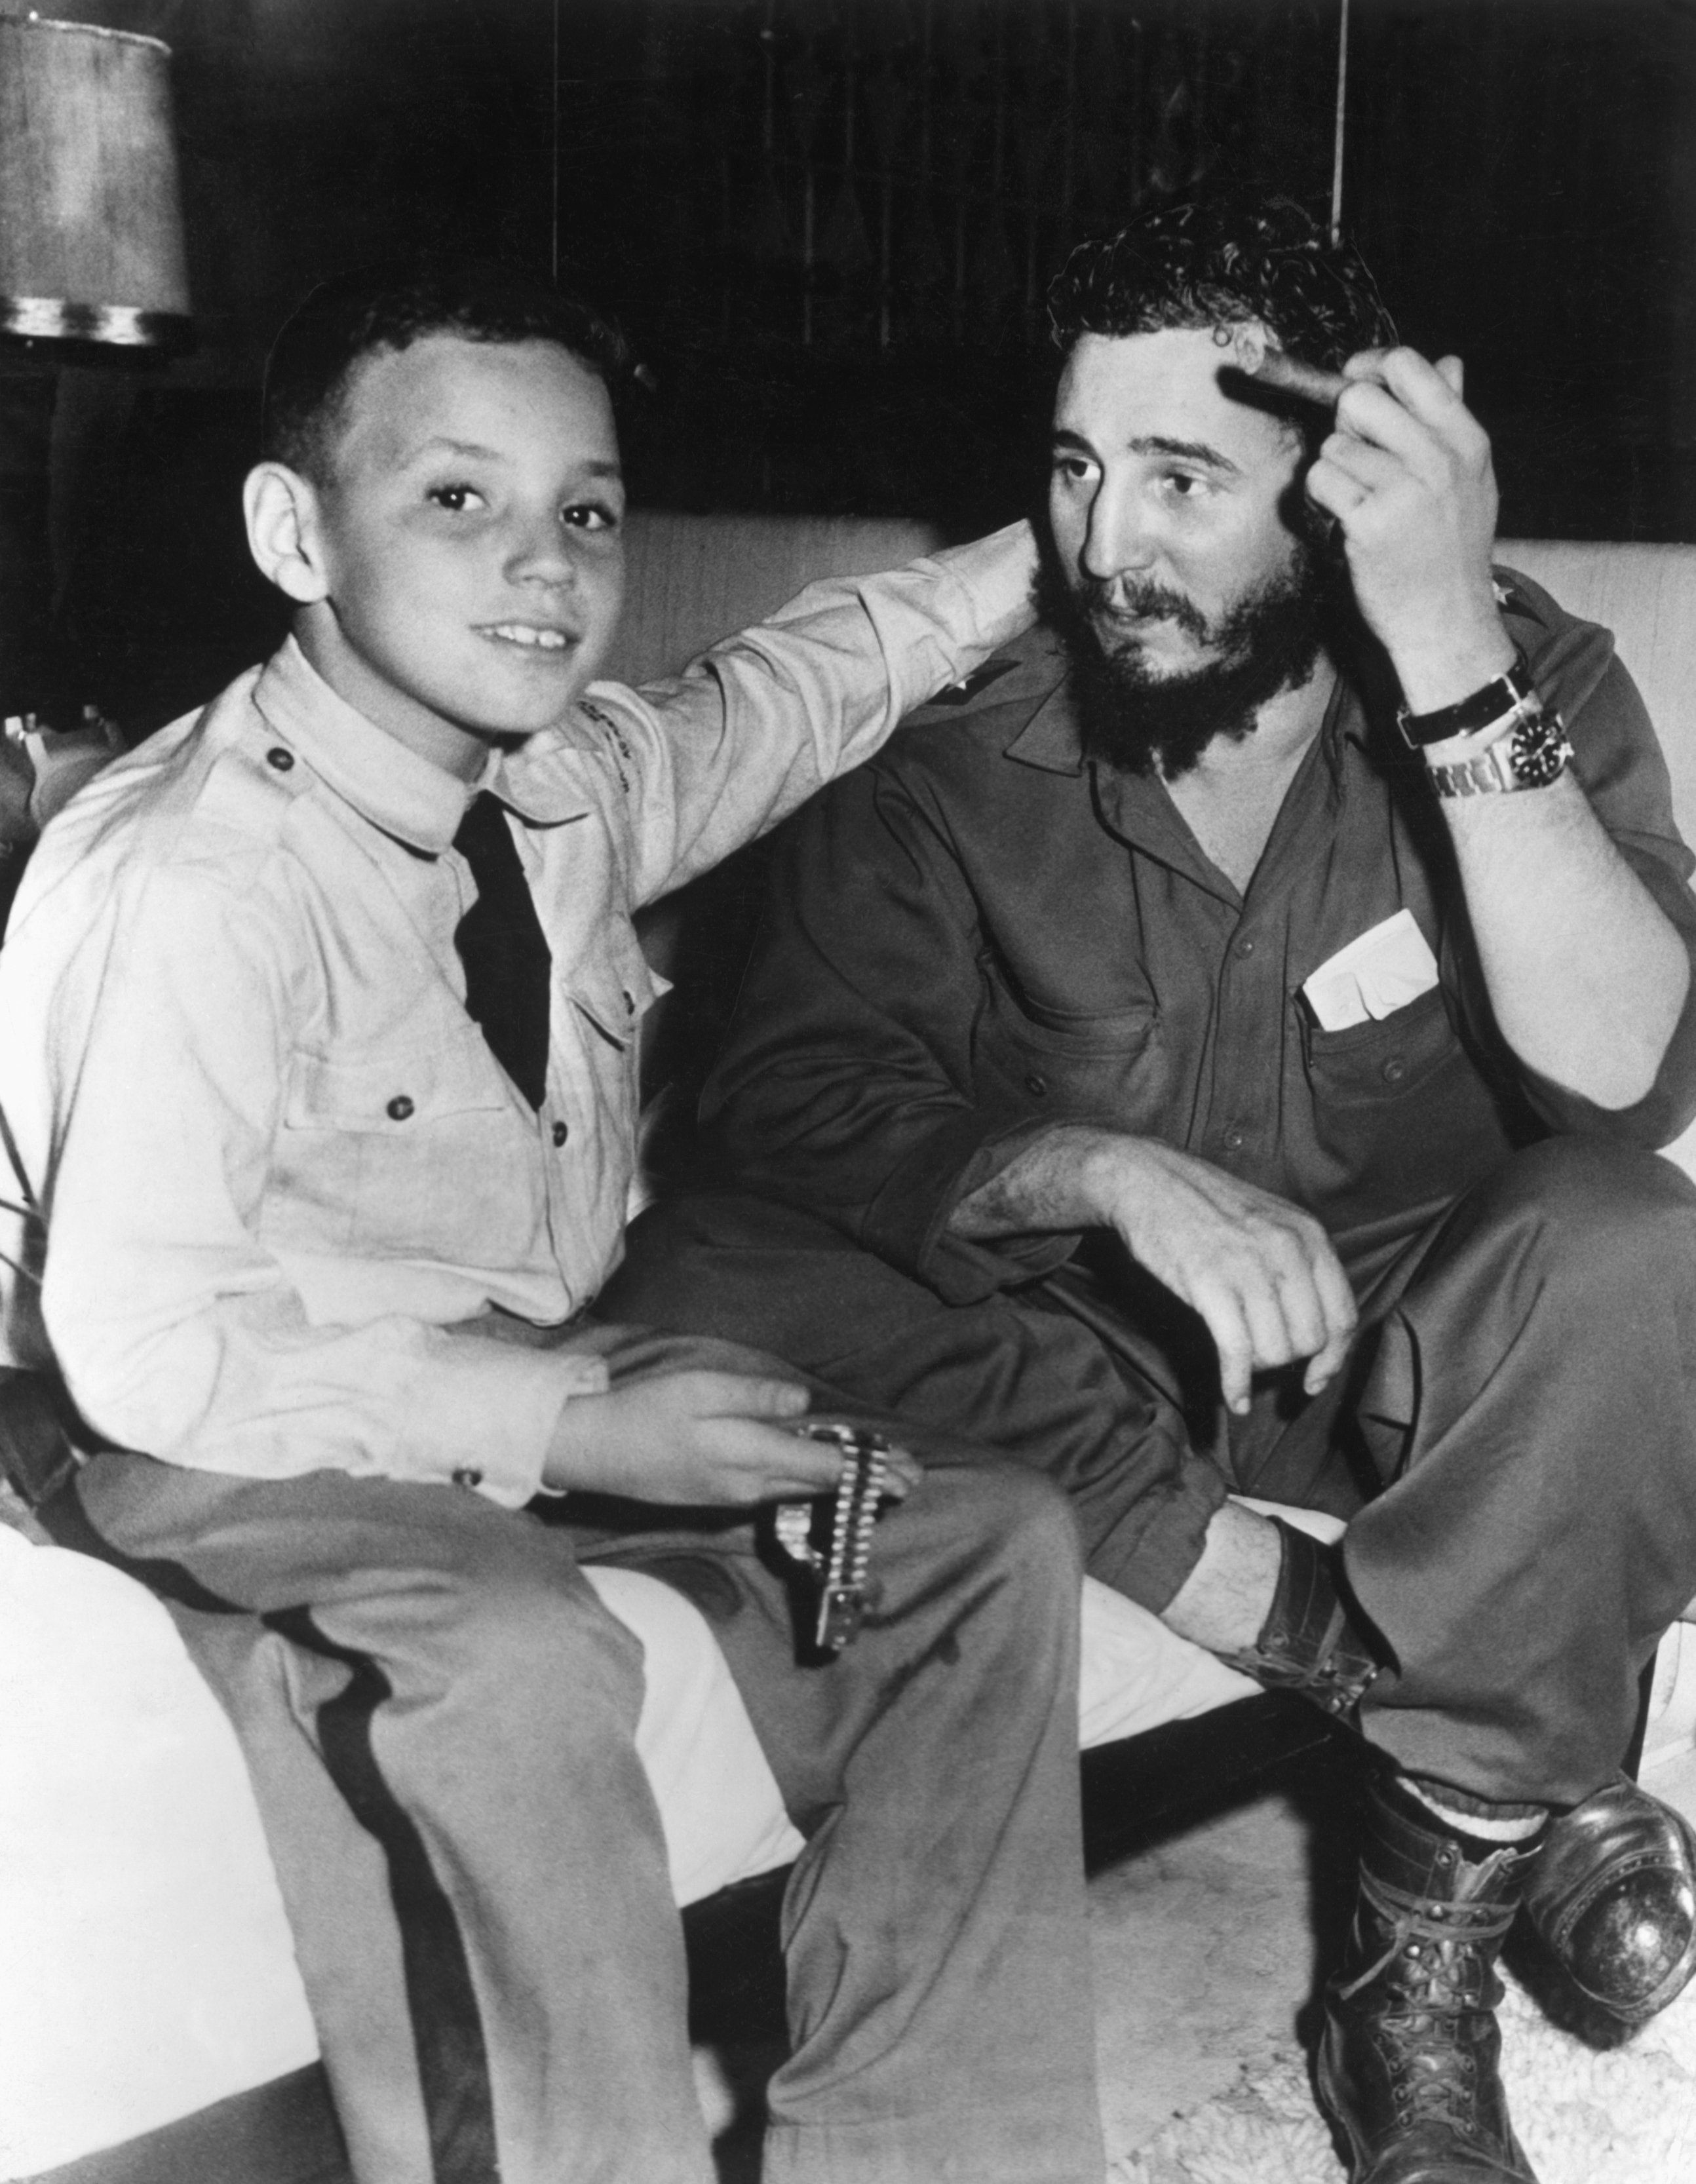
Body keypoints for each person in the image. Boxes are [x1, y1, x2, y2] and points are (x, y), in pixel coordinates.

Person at [604, 195, 1696, 2184]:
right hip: (1065, 1357)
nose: (1108, 544)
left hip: (1413, 1386)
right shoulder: (960, 745)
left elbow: (1625, 1081)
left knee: (1645, 1256)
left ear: (1339, 492)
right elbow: (789, 1105)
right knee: (717, 1258)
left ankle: (1411, 1960)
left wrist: (1446, 648)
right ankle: (1464, 1725)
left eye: (1185, 478)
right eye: (1077, 466)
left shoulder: (1521, 682)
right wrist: (1093, 1169)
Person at [0, 260, 1106, 2184]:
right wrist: (576, 1434)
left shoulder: (558, 784)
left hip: (501, 1352)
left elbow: (789, 692)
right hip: (177, 1405)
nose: (545, 566)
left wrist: (1064, 544)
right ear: (293, 532)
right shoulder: (192, 877)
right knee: (517, 1659)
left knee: (977, 1539)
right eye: (458, 499)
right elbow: (159, 1346)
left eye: (584, 510)